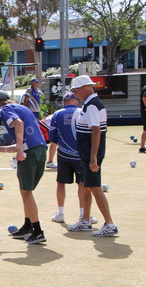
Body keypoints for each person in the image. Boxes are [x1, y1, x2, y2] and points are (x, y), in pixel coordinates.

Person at [0, 90, 48, 244]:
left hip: (29, 152)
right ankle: (28, 226)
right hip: (40, 149)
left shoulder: (4, 110)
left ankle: (38, 231)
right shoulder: (22, 108)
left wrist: (19, 149)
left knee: (26, 192)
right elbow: (24, 139)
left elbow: (18, 124)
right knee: (26, 191)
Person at [67, 75, 118, 237]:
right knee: (85, 185)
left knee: (95, 188)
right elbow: (103, 128)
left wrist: (93, 157)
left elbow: (96, 130)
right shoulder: (92, 104)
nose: (75, 94)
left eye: (76, 91)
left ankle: (110, 224)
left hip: (90, 155)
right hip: (86, 154)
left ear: (84, 88)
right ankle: (85, 220)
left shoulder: (92, 105)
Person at [48, 92, 98, 226]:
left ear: (64, 102)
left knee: (61, 183)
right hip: (81, 155)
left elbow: (52, 137)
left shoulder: (56, 114)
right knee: (82, 184)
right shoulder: (83, 111)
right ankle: (83, 215)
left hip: (63, 154)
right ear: (75, 101)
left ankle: (60, 213)